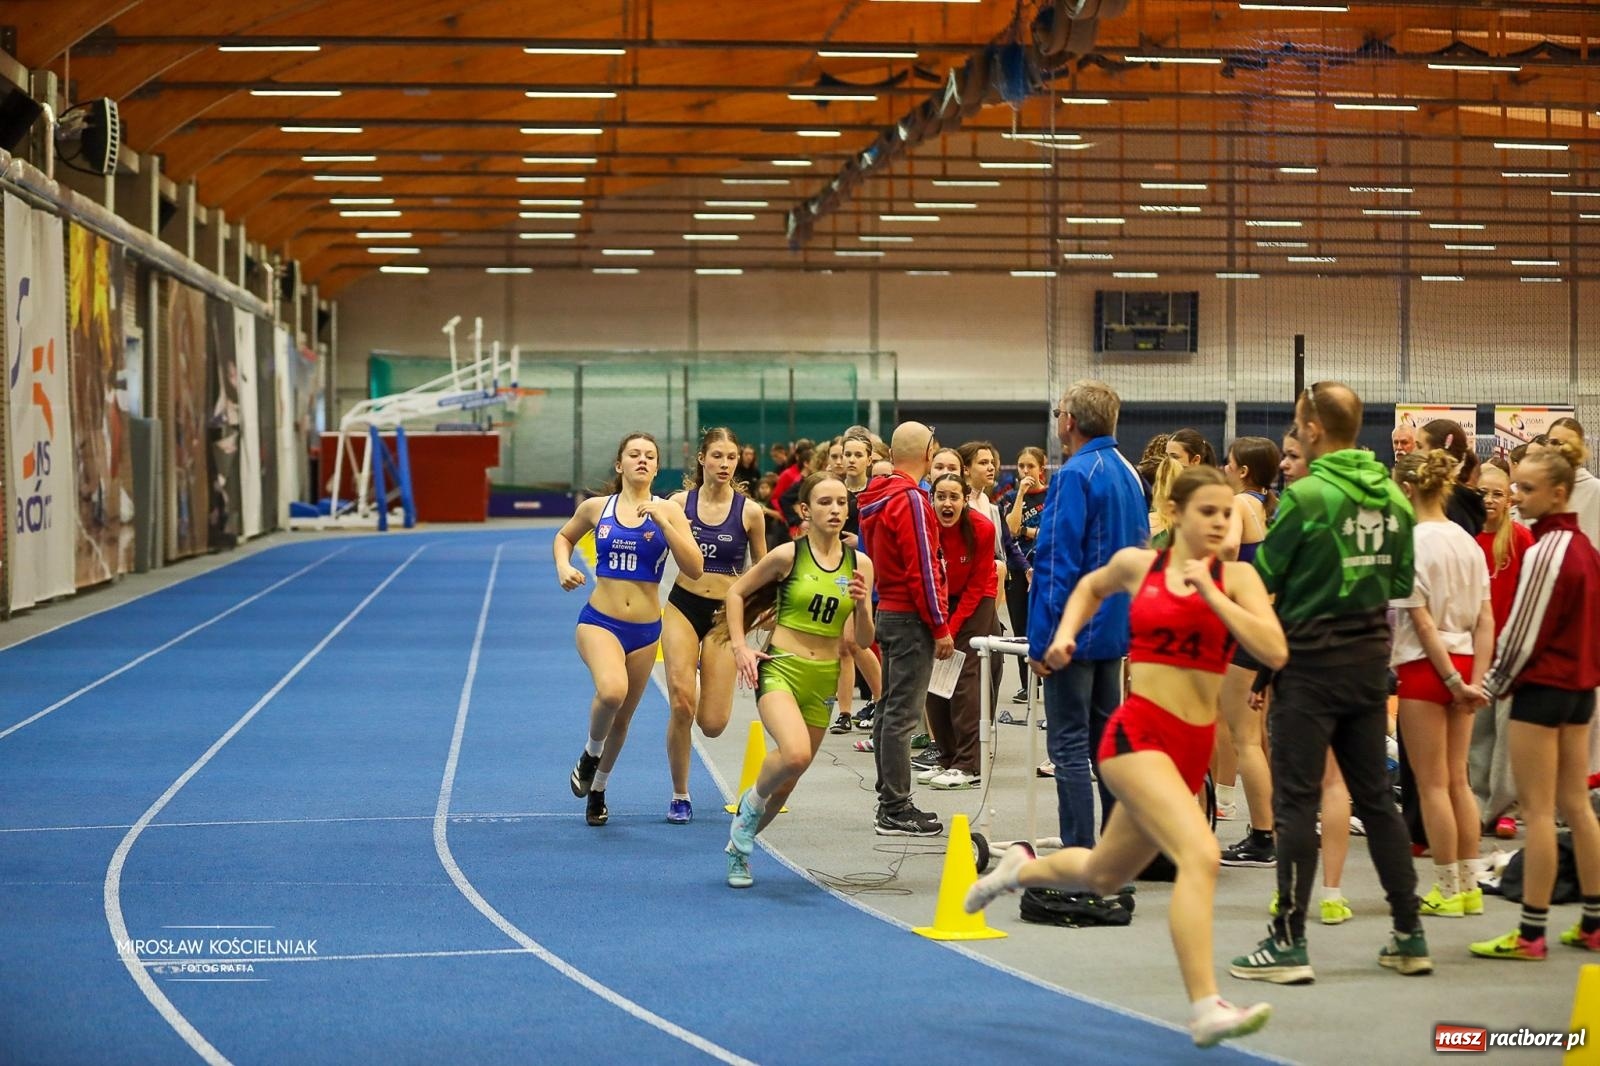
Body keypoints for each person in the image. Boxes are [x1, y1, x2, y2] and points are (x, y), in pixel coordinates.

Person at [968, 466, 1285, 1049]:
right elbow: (1090, 587)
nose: (1220, 522)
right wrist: (1066, 633)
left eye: (1227, 513)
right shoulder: (1141, 566)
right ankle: (1206, 1004)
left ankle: (1018, 869)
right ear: (1176, 511)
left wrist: (1214, 594)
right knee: (1201, 854)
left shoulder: (1237, 578)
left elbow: (1274, 648)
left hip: (1190, 750)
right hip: (1137, 736)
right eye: (1207, 511)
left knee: (1102, 873)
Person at [1229, 382, 1432, 984]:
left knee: (1296, 804)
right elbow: (1400, 580)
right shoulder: (1395, 499)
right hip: (1370, 668)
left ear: (1313, 430)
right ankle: (1408, 934)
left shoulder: (1307, 497)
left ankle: (1288, 942)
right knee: (1377, 801)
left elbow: (1265, 579)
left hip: (1310, 670)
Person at [1469, 441, 1600, 959]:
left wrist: (1489, 687)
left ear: (1560, 493)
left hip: (1543, 694)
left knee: (1540, 813)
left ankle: (1530, 934)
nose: (1517, 497)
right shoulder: (1587, 548)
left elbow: (1522, 635)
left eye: (1527, 488)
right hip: (1579, 695)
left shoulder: (1546, 550)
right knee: (1575, 806)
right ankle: (1593, 923)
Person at [719, 473, 877, 887]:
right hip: (782, 666)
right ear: (805, 511)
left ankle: (740, 849)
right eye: (825, 502)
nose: (836, 509)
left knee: (789, 782)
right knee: (794, 753)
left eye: (842, 502)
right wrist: (740, 647)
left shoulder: (860, 564)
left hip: (823, 678)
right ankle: (748, 810)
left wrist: (861, 607)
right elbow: (736, 594)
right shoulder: (788, 555)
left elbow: (864, 640)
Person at [553, 432, 704, 827]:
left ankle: (598, 790)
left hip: (645, 631)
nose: (642, 460)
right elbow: (564, 537)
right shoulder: (597, 508)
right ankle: (589, 754)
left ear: (656, 467)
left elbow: (695, 567)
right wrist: (564, 567)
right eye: (634, 454)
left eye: (650, 456)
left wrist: (666, 525)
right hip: (599, 622)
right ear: (620, 465)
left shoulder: (669, 513)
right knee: (612, 691)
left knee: (622, 720)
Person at [1029, 381, 1149, 852]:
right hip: (1115, 632)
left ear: (1069, 422)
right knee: (1107, 746)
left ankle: (1079, 853)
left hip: (1075, 633)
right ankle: (1117, 851)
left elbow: (1056, 560)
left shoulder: (1076, 474)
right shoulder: (1128, 470)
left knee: (1070, 748)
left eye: (1059, 411)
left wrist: (1044, 639)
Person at [1389, 449, 1495, 917]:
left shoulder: (1410, 544)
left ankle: (1447, 888)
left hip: (1426, 669)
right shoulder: (1469, 542)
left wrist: (1451, 680)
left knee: (1431, 784)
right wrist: (1477, 680)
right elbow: (1487, 620)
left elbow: (1424, 623)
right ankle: (1470, 887)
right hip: (1468, 663)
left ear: (1407, 490)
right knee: (1458, 780)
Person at [661, 428, 768, 824]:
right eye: (718, 456)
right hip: (682, 606)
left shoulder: (750, 512)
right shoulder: (677, 504)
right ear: (702, 459)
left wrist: (764, 612)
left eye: (732, 458)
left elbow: (763, 568)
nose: (725, 464)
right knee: (681, 702)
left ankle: (706, 672)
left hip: (725, 616)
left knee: (712, 724)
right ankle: (679, 793)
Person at [859, 421, 953, 837]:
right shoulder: (911, 499)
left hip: (890, 613)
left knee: (888, 709)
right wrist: (940, 625)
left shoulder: (877, 496)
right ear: (929, 453)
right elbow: (924, 569)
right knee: (901, 714)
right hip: (912, 617)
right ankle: (895, 807)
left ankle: (889, 798)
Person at [1217, 437, 1281, 863]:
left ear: (1242, 471)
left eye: (1229, 462)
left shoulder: (1241, 504)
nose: (1224, 467)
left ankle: (1263, 836)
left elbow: (1226, 549)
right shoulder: (1268, 506)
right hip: (1266, 624)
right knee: (1259, 735)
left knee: (1245, 738)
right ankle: (1272, 823)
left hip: (1246, 629)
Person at [919, 472, 998, 790]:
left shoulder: (982, 528)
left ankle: (969, 763)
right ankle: (948, 757)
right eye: (941, 496)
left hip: (977, 599)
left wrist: (949, 630)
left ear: (965, 499)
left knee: (962, 673)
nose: (947, 503)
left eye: (954, 496)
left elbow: (978, 585)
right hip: (941, 598)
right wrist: (938, 625)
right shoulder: (926, 528)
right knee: (934, 676)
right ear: (932, 499)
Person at [1470, 460, 1533, 838]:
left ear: (1510, 498)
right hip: (1477, 653)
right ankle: (1479, 803)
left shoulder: (1521, 539)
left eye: (1498, 494)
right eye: (1483, 493)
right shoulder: (1468, 538)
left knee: (1507, 735)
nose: (1490, 500)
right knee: (1478, 734)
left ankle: (1504, 807)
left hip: (1511, 654)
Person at [832, 429, 883, 734]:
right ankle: (845, 712)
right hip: (836, 570)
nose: (849, 460)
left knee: (857, 641)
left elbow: (881, 532)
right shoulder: (834, 491)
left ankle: (880, 698)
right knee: (842, 646)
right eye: (845, 455)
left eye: (856, 455)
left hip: (867, 570)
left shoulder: (875, 492)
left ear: (869, 459)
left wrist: (859, 542)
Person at [1003, 446, 1050, 701]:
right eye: (1021, 466)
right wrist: (1021, 494)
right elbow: (1010, 531)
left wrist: (1028, 532)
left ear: (1041, 468)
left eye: (1030, 466)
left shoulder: (1052, 495)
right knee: (1020, 626)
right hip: (1018, 570)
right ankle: (1027, 684)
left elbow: (1051, 531)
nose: (1025, 471)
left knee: (1042, 623)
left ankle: (1047, 675)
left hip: (1044, 567)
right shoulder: (1010, 497)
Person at [1418, 419, 1485, 536]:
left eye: (1419, 447)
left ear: (1438, 453)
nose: (1414, 452)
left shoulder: (1450, 503)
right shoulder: (1461, 499)